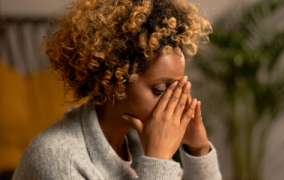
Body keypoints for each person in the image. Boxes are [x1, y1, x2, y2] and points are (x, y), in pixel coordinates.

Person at [12, 0, 222, 179]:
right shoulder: (56, 160)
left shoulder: (137, 139)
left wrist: (198, 149)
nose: (175, 101)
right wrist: (158, 161)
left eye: (178, 87)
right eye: (160, 89)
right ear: (113, 80)